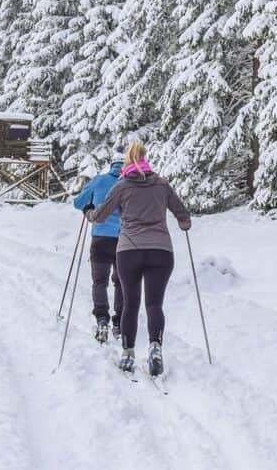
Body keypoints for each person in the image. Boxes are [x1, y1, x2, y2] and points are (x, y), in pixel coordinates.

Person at [84, 139, 191, 377]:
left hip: (129, 251)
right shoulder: (162, 185)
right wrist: (184, 223)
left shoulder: (121, 186)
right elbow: (183, 214)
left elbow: (100, 215)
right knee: (154, 304)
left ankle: (128, 353)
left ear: (127, 162)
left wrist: (88, 213)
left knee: (131, 304)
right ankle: (155, 346)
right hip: (161, 251)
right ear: (145, 159)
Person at [73, 151, 125, 343]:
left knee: (99, 282)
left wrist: (88, 208)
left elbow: (78, 202)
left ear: (111, 165)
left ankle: (102, 320)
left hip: (101, 238)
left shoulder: (100, 180)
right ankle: (119, 323)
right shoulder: (131, 183)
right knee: (121, 282)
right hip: (124, 240)